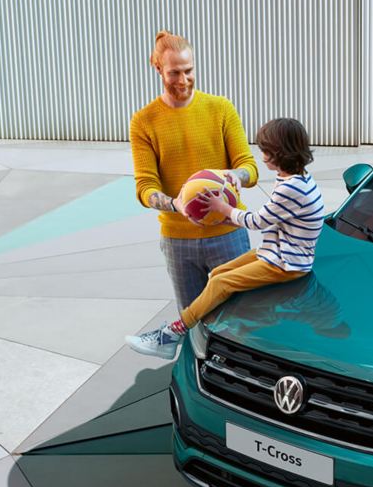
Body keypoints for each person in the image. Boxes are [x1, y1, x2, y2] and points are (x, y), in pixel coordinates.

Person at [128, 117, 325, 358]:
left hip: (287, 263)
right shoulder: (297, 179)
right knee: (218, 274)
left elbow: (257, 221)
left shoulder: (290, 188)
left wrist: (222, 208)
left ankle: (171, 334)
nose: (261, 155)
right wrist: (227, 214)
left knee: (221, 284)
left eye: (265, 150)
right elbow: (272, 218)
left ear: (279, 153)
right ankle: (201, 331)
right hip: (278, 251)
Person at [128, 32, 258, 345]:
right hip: (178, 242)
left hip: (229, 233)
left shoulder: (221, 109)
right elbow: (145, 186)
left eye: (189, 69)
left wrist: (230, 177)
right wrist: (177, 204)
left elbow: (250, 169)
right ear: (158, 69)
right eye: (174, 72)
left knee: (240, 321)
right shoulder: (144, 121)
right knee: (194, 324)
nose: (184, 79)